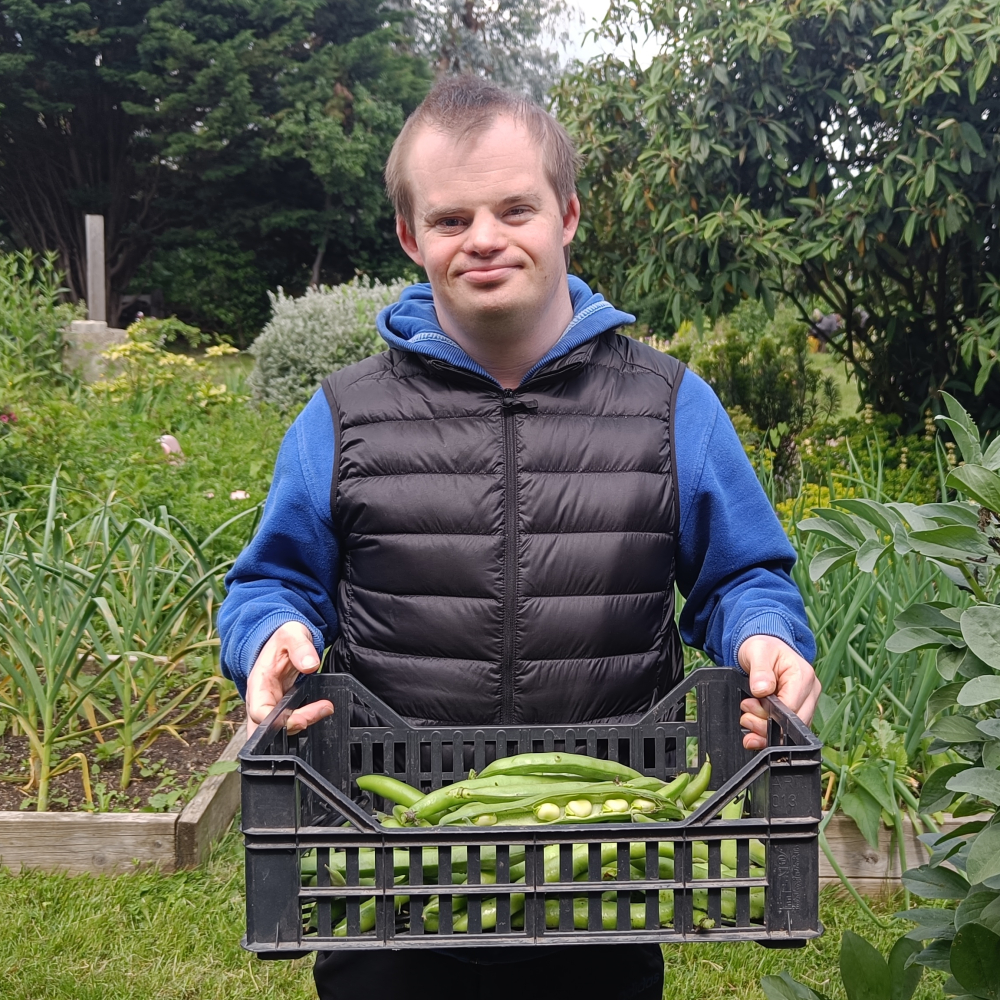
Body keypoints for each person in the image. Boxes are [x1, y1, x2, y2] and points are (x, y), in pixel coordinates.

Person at [219, 76, 820, 1000]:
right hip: (395, 868)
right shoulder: (342, 415)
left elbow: (743, 577)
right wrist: (268, 638)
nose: (486, 238)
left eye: (515, 208)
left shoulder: (669, 405)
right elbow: (271, 585)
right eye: (452, 218)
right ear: (412, 237)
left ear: (567, 214)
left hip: (609, 871)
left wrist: (766, 635)